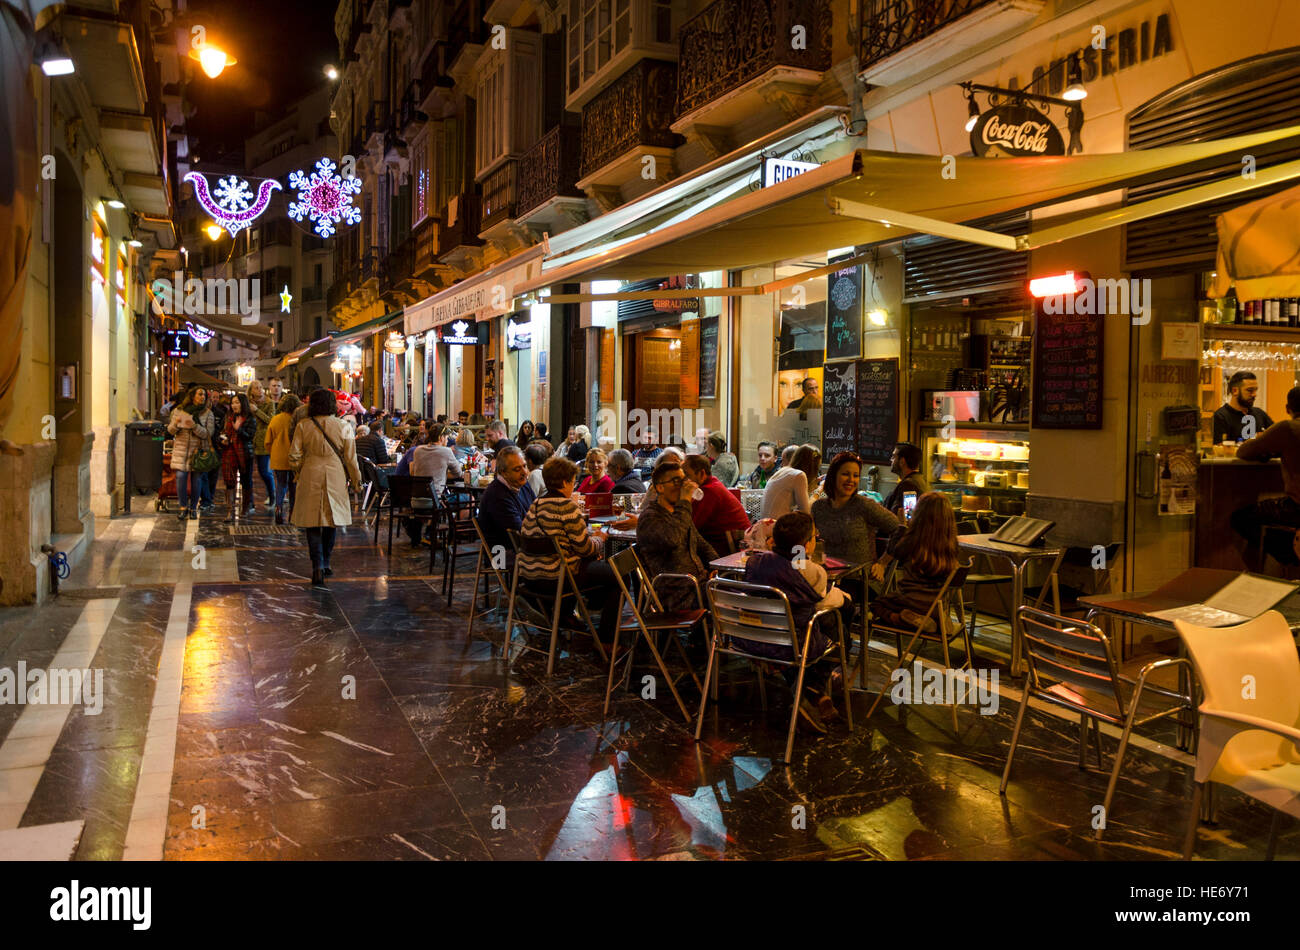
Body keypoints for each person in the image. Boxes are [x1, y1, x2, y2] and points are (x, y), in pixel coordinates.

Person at [743, 511, 850, 731]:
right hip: (795, 644)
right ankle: (813, 688)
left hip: (752, 639)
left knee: (797, 629)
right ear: (808, 545)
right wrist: (847, 599)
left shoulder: (755, 562)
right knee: (837, 624)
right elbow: (828, 601)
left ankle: (811, 693)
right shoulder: (811, 571)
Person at [517, 457, 621, 644]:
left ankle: (565, 616)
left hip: (530, 577)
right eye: (573, 481)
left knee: (585, 565)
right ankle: (607, 641)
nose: (574, 485)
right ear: (565, 482)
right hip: (558, 578)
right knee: (618, 576)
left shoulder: (536, 504)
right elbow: (586, 549)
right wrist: (600, 537)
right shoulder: (567, 507)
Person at [291, 388, 361, 587]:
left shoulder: (303, 426)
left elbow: (294, 455)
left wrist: (299, 471)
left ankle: (317, 565)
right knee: (331, 521)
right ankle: (327, 561)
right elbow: (351, 458)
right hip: (335, 474)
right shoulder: (344, 426)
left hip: (310, 474)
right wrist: (356, 481)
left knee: (312, 522)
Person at [812, 452, 899, 601]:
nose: (851, 480)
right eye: (846, 474)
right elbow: (808, 541)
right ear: (833, 476)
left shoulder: (864, 505)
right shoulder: (819, 508)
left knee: (823, 601)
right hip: (829, 579)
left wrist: (883, 563)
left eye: (856, 476)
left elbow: (901, 529)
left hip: (862, 582)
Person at [869, 492, 960, 633]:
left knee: (877, 604)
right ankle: (933, 621)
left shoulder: (913, 541)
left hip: (910, 602)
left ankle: (901, 619)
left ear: (920, 516)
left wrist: (902, 526)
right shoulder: (951, 545)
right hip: (938, 606)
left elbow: (895, 551)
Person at [635, 460, 718, 611]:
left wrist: (716, 566)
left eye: (683, 480)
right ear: (660, 487)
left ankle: (709, 634)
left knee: (738, 587)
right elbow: (673, 539)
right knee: (732, 597)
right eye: (675, 481)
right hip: (676, 595)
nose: (681, 486)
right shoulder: (650, 518)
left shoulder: (678, 513)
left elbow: (701, 544)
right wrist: (685, 501)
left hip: (697, 585)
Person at [1233, 385, 1300, 569]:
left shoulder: (1288, 428)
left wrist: (1272, 448)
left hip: (1296, 508)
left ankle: (1290, 555)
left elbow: (1244, 452)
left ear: (1288, 409)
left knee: (1242, 518)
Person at [683, 454, 751, 554]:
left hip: (730, 550)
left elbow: (689, 527)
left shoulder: (709, 491)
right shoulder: (712, 485)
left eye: (687, 475)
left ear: (702, 473)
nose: (683, 480)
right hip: (729, 545)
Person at [477, 446, 536, 552]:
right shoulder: (497, 496)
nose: (524, 472)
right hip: (503, 555)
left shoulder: (523, 484)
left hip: (522, 547)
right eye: (517, 469)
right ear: (504, 473)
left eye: (524, 466)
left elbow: (537, 510)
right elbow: (519, 533)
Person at [167, 387, 214, 521]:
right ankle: (183, 507)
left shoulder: (207, 413)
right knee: (181, 476)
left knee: (197, 480)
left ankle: (193, 508)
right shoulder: (179, 411)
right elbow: (170, 431)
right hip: (181, 450)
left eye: (204, 394)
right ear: (193, 396)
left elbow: (208, 434)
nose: (202, 397)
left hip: (198, 452)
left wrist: (194, 426)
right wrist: (176, 424)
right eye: (200, 394)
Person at [219, 392, 257, 520]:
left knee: (246, 481)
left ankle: (245, 508)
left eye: (237, 402)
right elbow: (223, 432)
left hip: (245, 453)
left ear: (243, 404)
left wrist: (238, 429)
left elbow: (250, 436)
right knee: (229, 481)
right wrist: (222, 439)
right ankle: (229, 511)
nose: (234, 405)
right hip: (229, 452)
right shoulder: (229, 417)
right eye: (232, 403)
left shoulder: (250, 418)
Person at [265, 393, 301, 524]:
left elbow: (268, 441)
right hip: (295, 458)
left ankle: (278, 509)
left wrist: (273, 452)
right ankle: (293, 512)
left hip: (278, 458)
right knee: (293, 486)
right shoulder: (298, 420)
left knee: (280, 485)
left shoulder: (275, 419)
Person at [1213, 370, 1274, 444]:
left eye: (1255, 390)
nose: (1254, 394)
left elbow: (1277, 436)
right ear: (1235, 391)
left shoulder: (1260, 414)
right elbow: (1220, 449)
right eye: (1250, 390)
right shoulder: (1221, 416)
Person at [761, 444, 820, 519]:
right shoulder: (799, 475)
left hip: (765, 525)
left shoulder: (784, 470)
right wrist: (819, 490)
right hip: (776, 527)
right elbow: (806, 512)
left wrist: (813, 483)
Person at [406, 423, 462, 497]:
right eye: (447, 438)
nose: (447, 441)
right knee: (470, 499)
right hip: (436, 499)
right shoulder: (446, 451)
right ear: (441, 437)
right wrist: (442, 474)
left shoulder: (418, 450)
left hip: (417, 499)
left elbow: (413, 472)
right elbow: (458, 473)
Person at [248, 380, 277, 511]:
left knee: (265, 471)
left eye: (260, 387)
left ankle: (273, 496)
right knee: (257, 471)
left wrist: (257, 411)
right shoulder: (248, 403)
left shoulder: (268, 403)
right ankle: (249, 502)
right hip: (250, 440)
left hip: (263, 441)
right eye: (256, 388)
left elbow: (271, 420)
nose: (259, 390)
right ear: (251, 391)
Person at [882, 442, 930, 515]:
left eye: (894, 456)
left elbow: (905, 516)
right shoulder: (919, 480)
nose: (891, 459)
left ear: (902, 461)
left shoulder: (909, 485)